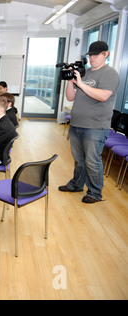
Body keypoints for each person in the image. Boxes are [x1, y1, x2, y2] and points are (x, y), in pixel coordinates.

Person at [58, 40, 120, 204]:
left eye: (96, 55)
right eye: (90, 55)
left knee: (92, 161)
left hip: (95, 126)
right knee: (79, 160)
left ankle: (94, 193)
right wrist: (72, 82)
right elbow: (70, 97)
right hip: (77, 123)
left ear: (105, 54)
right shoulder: (84, 73)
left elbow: (103, 96)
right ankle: (76, 184)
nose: (92, 58)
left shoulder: (109, 73)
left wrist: (81, 83)